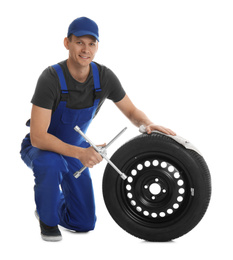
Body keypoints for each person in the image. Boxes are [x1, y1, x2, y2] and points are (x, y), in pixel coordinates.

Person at [20, 17, 176, 242]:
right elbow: (37, 137)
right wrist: (81, 153)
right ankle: (48, 219)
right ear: (67, 43)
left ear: (97, 46)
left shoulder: (103, 77)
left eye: (91, 44)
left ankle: (50, 205)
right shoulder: (51, 78)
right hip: (41, 148)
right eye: (79, 42)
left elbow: (132, 112)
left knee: (83, 223)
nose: (86, 49)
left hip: (75, 148)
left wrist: (146, 123)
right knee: (51, 163)